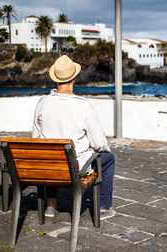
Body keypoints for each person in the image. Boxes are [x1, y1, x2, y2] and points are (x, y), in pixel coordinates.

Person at [32, 55, 116, 220]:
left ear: (56, 79)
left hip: (49, 166)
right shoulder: (83, 105)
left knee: (51, 152)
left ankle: (51, 204)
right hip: (75, 167)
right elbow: (99, 143)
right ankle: (104, 207)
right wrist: (102, 149)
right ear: (74, 78)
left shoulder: (43, 103)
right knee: (108, 159)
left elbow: (36, 137)